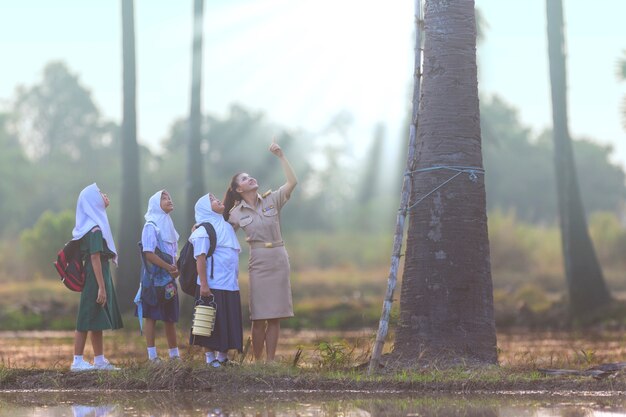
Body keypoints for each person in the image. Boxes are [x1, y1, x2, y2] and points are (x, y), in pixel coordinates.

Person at [223, 139, 297, 362]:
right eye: (244, 179)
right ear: (238, 189)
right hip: (259, 262)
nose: (250, 179)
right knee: (259, 317)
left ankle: (270, 361)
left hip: (278, 258)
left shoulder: (272, 199)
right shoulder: (236, 213)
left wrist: (282, 156)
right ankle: (257, 361)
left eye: (250, 176)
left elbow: (292, 182)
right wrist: (201, 227)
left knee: (275, 316)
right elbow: (222, 231)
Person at [70, 183, 123, 371]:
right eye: (100, 193)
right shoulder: (94, 228)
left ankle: (99, 360)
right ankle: (77, 361)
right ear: (93, 201)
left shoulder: (95, 225)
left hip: (100, 272)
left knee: (97, 317)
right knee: (86, 316)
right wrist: (101, 286)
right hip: (95, 274)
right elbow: (94, 257)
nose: (104, 194)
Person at [189, 193, 243, 367]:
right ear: (205, 207)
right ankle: (209, 359)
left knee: (226, 319)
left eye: (216, 197)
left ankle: (222, 357)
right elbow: (201, 258)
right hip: (212, 284)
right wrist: (204, 284)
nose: (217, 200)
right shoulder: (204, 229)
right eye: (211, 199)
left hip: (230, 284)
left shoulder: (226, 227)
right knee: (209, 321)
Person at [135, 190, 181, 362]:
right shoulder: (151, 225)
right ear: (155, 204)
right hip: (153, 280)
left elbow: (172, 252)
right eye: (163, 198)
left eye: (169, 197)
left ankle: (174, 355)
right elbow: (149, 253)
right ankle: (152, 356)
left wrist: (175, 268)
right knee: (152, 316)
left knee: (170, 316)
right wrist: (169, 267)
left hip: (168, 279)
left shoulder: (168, 224)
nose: (169, 199)